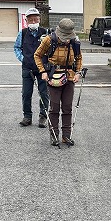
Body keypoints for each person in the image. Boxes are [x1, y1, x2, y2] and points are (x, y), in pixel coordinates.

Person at [34, 18, 83, 146]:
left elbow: (78, 57)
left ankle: (66, 136)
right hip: (53, 76)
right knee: (54, 107)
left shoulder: (75, 42)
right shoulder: (49, 40)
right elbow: (37, 55)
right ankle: (54, 135)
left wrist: (78, 72)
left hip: (69, 77)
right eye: (64, 36)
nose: (66, 39)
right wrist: (43, 71)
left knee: (67, 107)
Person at [14, 7, 49, 128]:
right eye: (31, 20)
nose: (33, 22)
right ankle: (27, 116)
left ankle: (43, 116)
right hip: (27, 67)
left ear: (39, 19)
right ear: (26, 21)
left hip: (42, 69)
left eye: (35, 19)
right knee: (26, 93)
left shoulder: (45, 33)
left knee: (44, 93)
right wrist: (23, 58)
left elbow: (51, 49)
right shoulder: (23, 33)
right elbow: (17, 48)